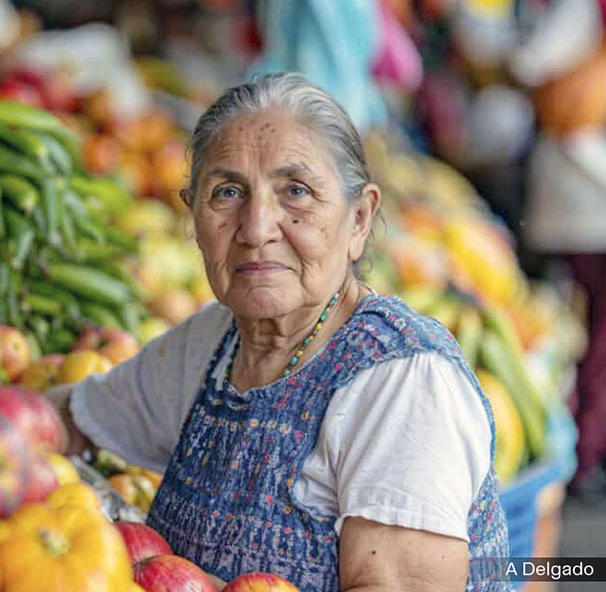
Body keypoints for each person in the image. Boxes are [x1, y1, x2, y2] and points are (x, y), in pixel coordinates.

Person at [53, 72, 510, 591]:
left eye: (296, 192)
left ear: (358, 220)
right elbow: (74, 418)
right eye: (227, 192)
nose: (256, 228)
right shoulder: (213, 344)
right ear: (194, 218)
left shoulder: (403, 383)